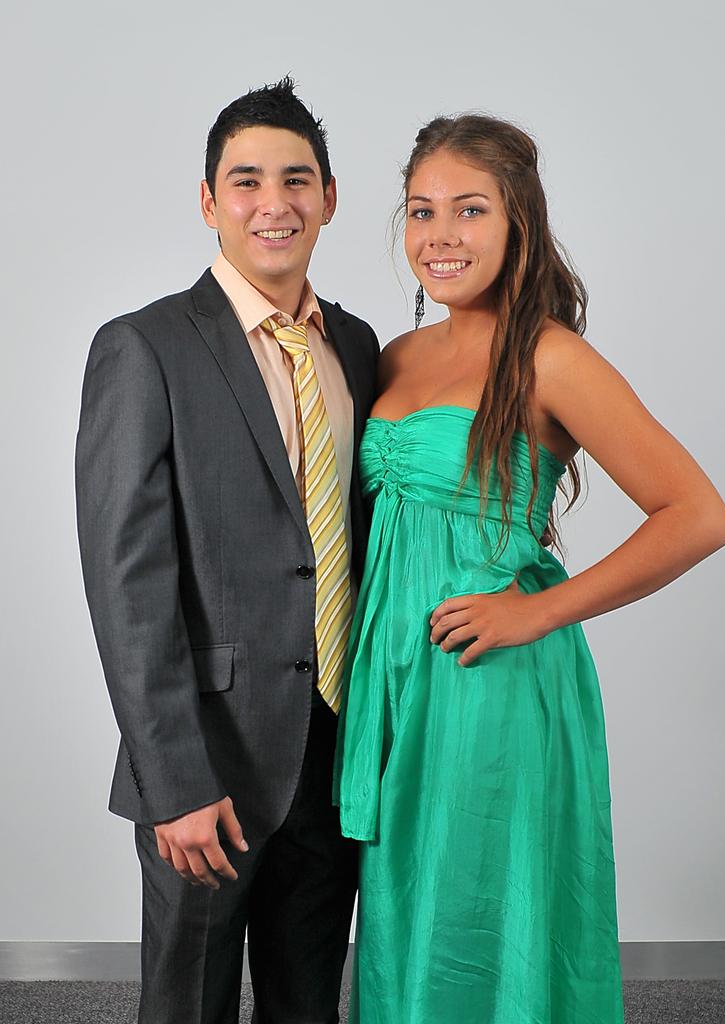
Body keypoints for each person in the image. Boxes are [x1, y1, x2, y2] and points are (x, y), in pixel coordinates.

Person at [335, 114, 725, 1023]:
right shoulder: (395, 357)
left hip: (492, 677)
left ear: (519, 220)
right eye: (421, 211)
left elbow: (698, 515)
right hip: (396, 679)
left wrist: (533, 615)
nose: (440, 236)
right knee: (404, 908)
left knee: (480, 909)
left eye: (469, 210)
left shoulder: (549, 354)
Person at [75, 78, 379, 1024]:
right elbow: (128, 581)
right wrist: (174, 784)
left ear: (330, 195)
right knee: (188, 1004)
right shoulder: (145, 347)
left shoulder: (361, 347)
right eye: (246, 181)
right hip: (207, 760)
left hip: (334, 749)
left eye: (297, 179)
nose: (273, 203)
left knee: (308, 1000)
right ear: (209, 201)